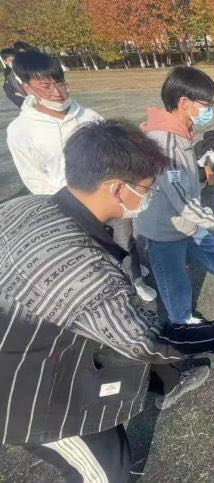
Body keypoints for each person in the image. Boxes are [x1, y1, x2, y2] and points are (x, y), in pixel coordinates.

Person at [0, 120, 214, 481]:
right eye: (146, 188)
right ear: (116, 189)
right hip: (33, 397)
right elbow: (149, 342)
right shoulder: (88, 270)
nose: (149, 195)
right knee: (106, 474)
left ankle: (167, 383)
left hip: (39, 347)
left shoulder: (21, 207)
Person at [6, 49, 156, 302]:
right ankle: (110, 288)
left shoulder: (88, 116)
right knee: (91, 252)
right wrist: (69, 203)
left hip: (111, 198)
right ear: (27, 88)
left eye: (61, 83)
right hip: (69, 209)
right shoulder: (21, 130)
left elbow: (115, 153)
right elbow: (34, 179)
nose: (57, 92)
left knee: (124, 241)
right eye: (46, 86)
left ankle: (135, 278)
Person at [135, 66, 214, 325]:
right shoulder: (165, 143)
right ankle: (182, 323)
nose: (209, 109)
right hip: (165, 229)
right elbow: (184, 202)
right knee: (174, 281)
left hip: (187, 222)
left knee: (209, 248)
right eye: (206, 104)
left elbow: (184, 185)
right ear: (184, 103)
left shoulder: (181, 131)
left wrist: (201, 171)